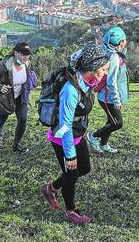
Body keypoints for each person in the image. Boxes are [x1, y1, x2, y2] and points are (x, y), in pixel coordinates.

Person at [40, 44, 109, 225]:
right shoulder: (70, 90)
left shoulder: (85, 82)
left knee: (84, 169)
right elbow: (65, 125)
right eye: (103, 69)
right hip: (63, 138)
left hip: (77, 135)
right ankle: (71, 211)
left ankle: (51, 188)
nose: (105, 73)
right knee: (71, 174)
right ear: (91, 69)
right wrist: (70, 155)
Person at [0, 42, 37, 153]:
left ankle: (16, 144)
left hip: (21, 97)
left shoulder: (27, 63)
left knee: (23, 119)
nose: (26, 57)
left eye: (28, 55)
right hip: (7, 97)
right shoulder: (5, 65)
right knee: (2, 119)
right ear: (15, 53)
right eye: (23, 54)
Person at [87, 27, 129, 154]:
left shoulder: (106, 50)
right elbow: (111, 81)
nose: (126, 41)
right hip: (108, 98)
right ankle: (93, 136)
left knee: (111, 121)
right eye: (124, 39)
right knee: (117, 123)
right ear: (120, 42)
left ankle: (104, 144)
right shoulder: (114, 57)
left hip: (105, 95)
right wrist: (117, 100)